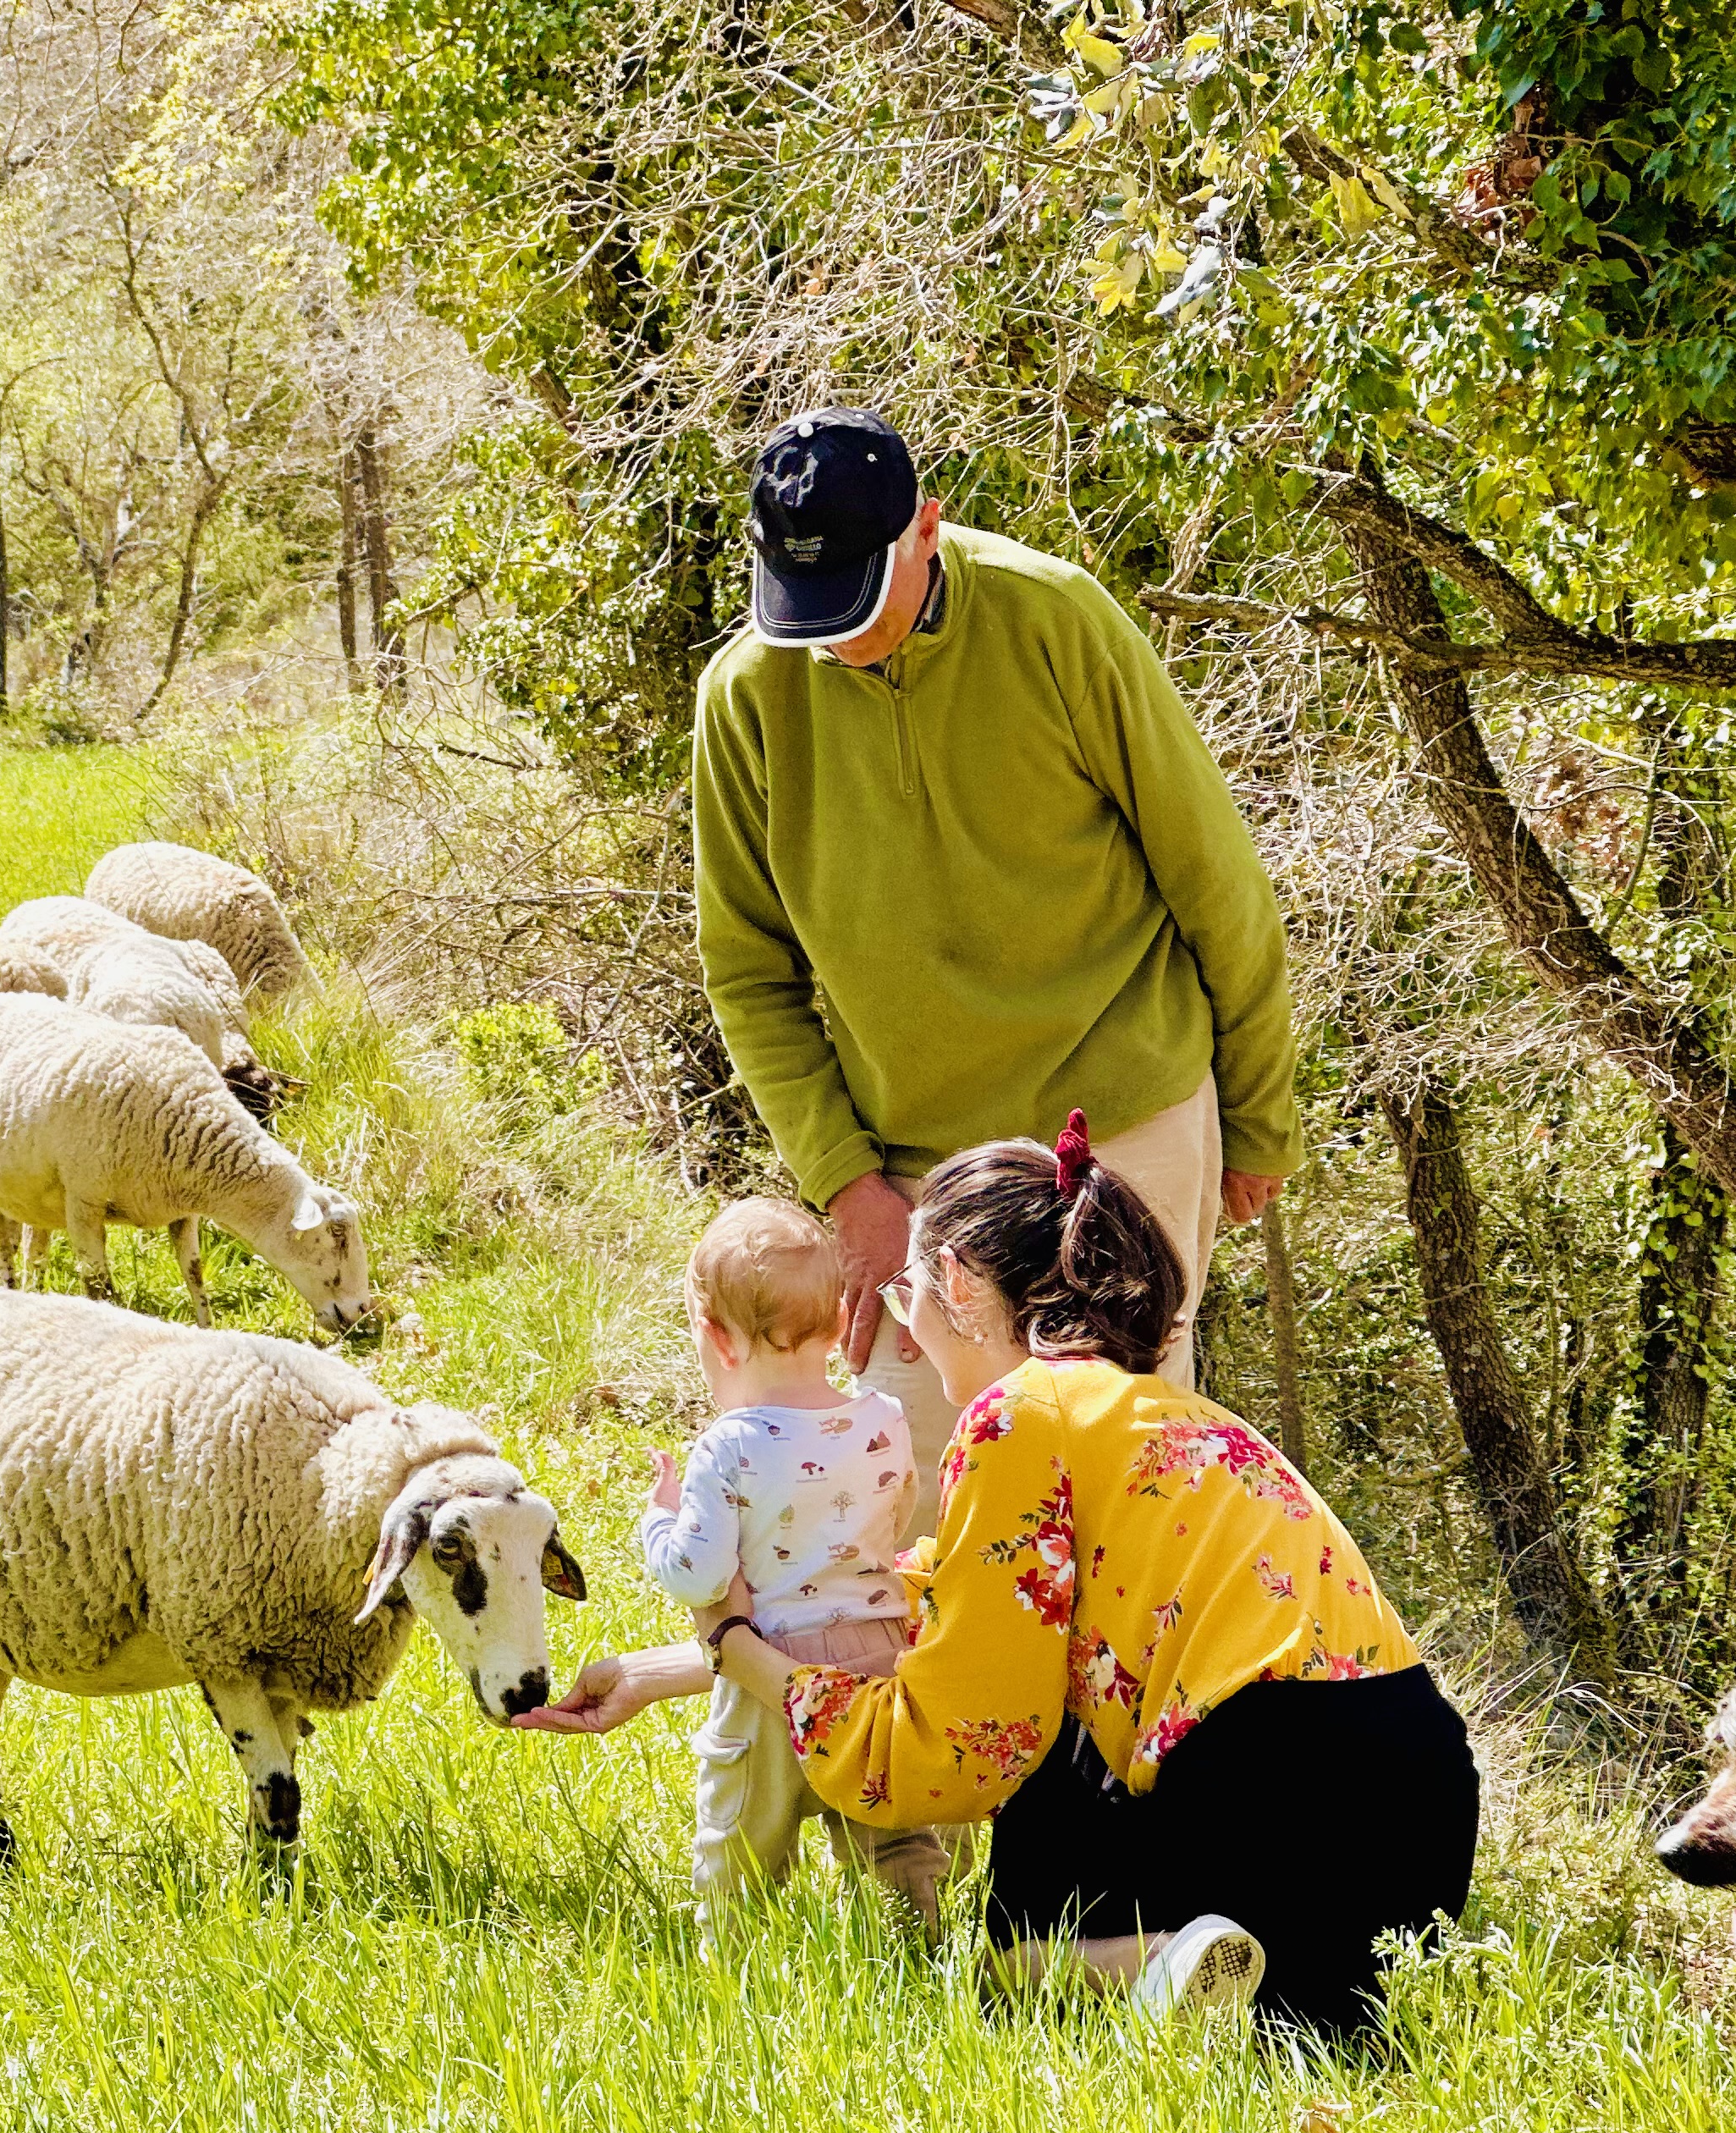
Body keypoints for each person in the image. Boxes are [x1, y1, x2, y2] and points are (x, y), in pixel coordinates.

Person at [530, 1121, 1479, 2036]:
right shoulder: (1167, 1411)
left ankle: (1154, 1962)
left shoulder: (1015, 1420)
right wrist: (665, 1673)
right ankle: (1248, 1977)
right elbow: (920, 1608)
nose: (903, 1333)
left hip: (1269, 1789)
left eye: (903, 1294)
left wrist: (742, 1655)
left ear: (954, 1283)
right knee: (1303, 1993)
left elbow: (963, 1746)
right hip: (1415, 1812)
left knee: (984, 1966)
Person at [692, 405, 1298, 1454]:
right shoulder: (745, 697)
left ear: (926, 529)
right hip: (918, 1171)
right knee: (926, 1505)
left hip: (1124, 1129)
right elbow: (749, 975)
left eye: (858, 601)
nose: (834, 638)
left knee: (1126, 1486)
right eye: (807, 607)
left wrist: (1257, 1117)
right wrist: (850, 1187)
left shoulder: (1055, 619)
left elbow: (1218, 884)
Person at [637, 1198, 945, 1934]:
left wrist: (658, 1520)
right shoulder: (885, 1418)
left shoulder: (729, 1445)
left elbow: (698, 1577)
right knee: (891, 1825)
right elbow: (895, 1517)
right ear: (843, 1321)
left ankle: (733, 1968)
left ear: (718, 1338)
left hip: (768, 1670)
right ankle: (920, 1946)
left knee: (741, 1837)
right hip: (876, 1657)